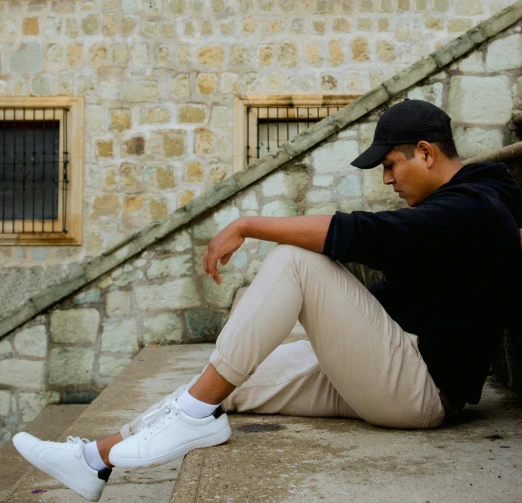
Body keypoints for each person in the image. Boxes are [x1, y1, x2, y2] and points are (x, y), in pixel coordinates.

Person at [13, 99, 522, 502]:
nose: (387, 179)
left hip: (420, 390)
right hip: (393, 367)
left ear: (426, 152)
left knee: (296, 261)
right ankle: (95, 460)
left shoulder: (474, 209)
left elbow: (365, 234)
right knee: (226, 380)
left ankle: (187, 420)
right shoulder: (463, 204)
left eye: (391, 164)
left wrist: (248, 223)